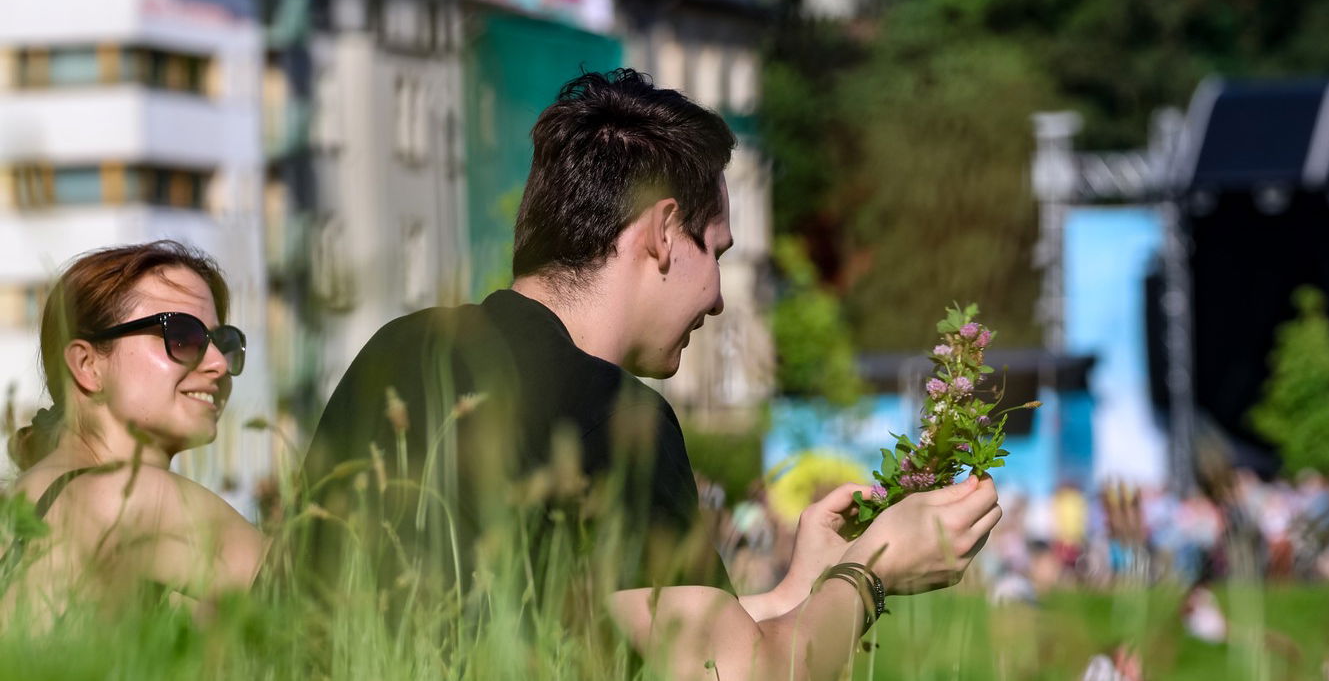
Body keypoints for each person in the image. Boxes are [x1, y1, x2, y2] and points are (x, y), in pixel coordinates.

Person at [296, 69, 1001, 681]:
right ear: (664, 233)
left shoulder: (398, 350)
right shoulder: (611, 413)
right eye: (715, 251)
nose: (720, 296)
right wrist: (871, 573)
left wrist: (797, 589)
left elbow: (629, 621)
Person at [2, 242, 262, 619]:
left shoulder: (27, 501)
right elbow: (331, 588)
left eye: (224, 342)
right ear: (87, 364)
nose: (219, 364)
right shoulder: (128, 499)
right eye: (183, 337)